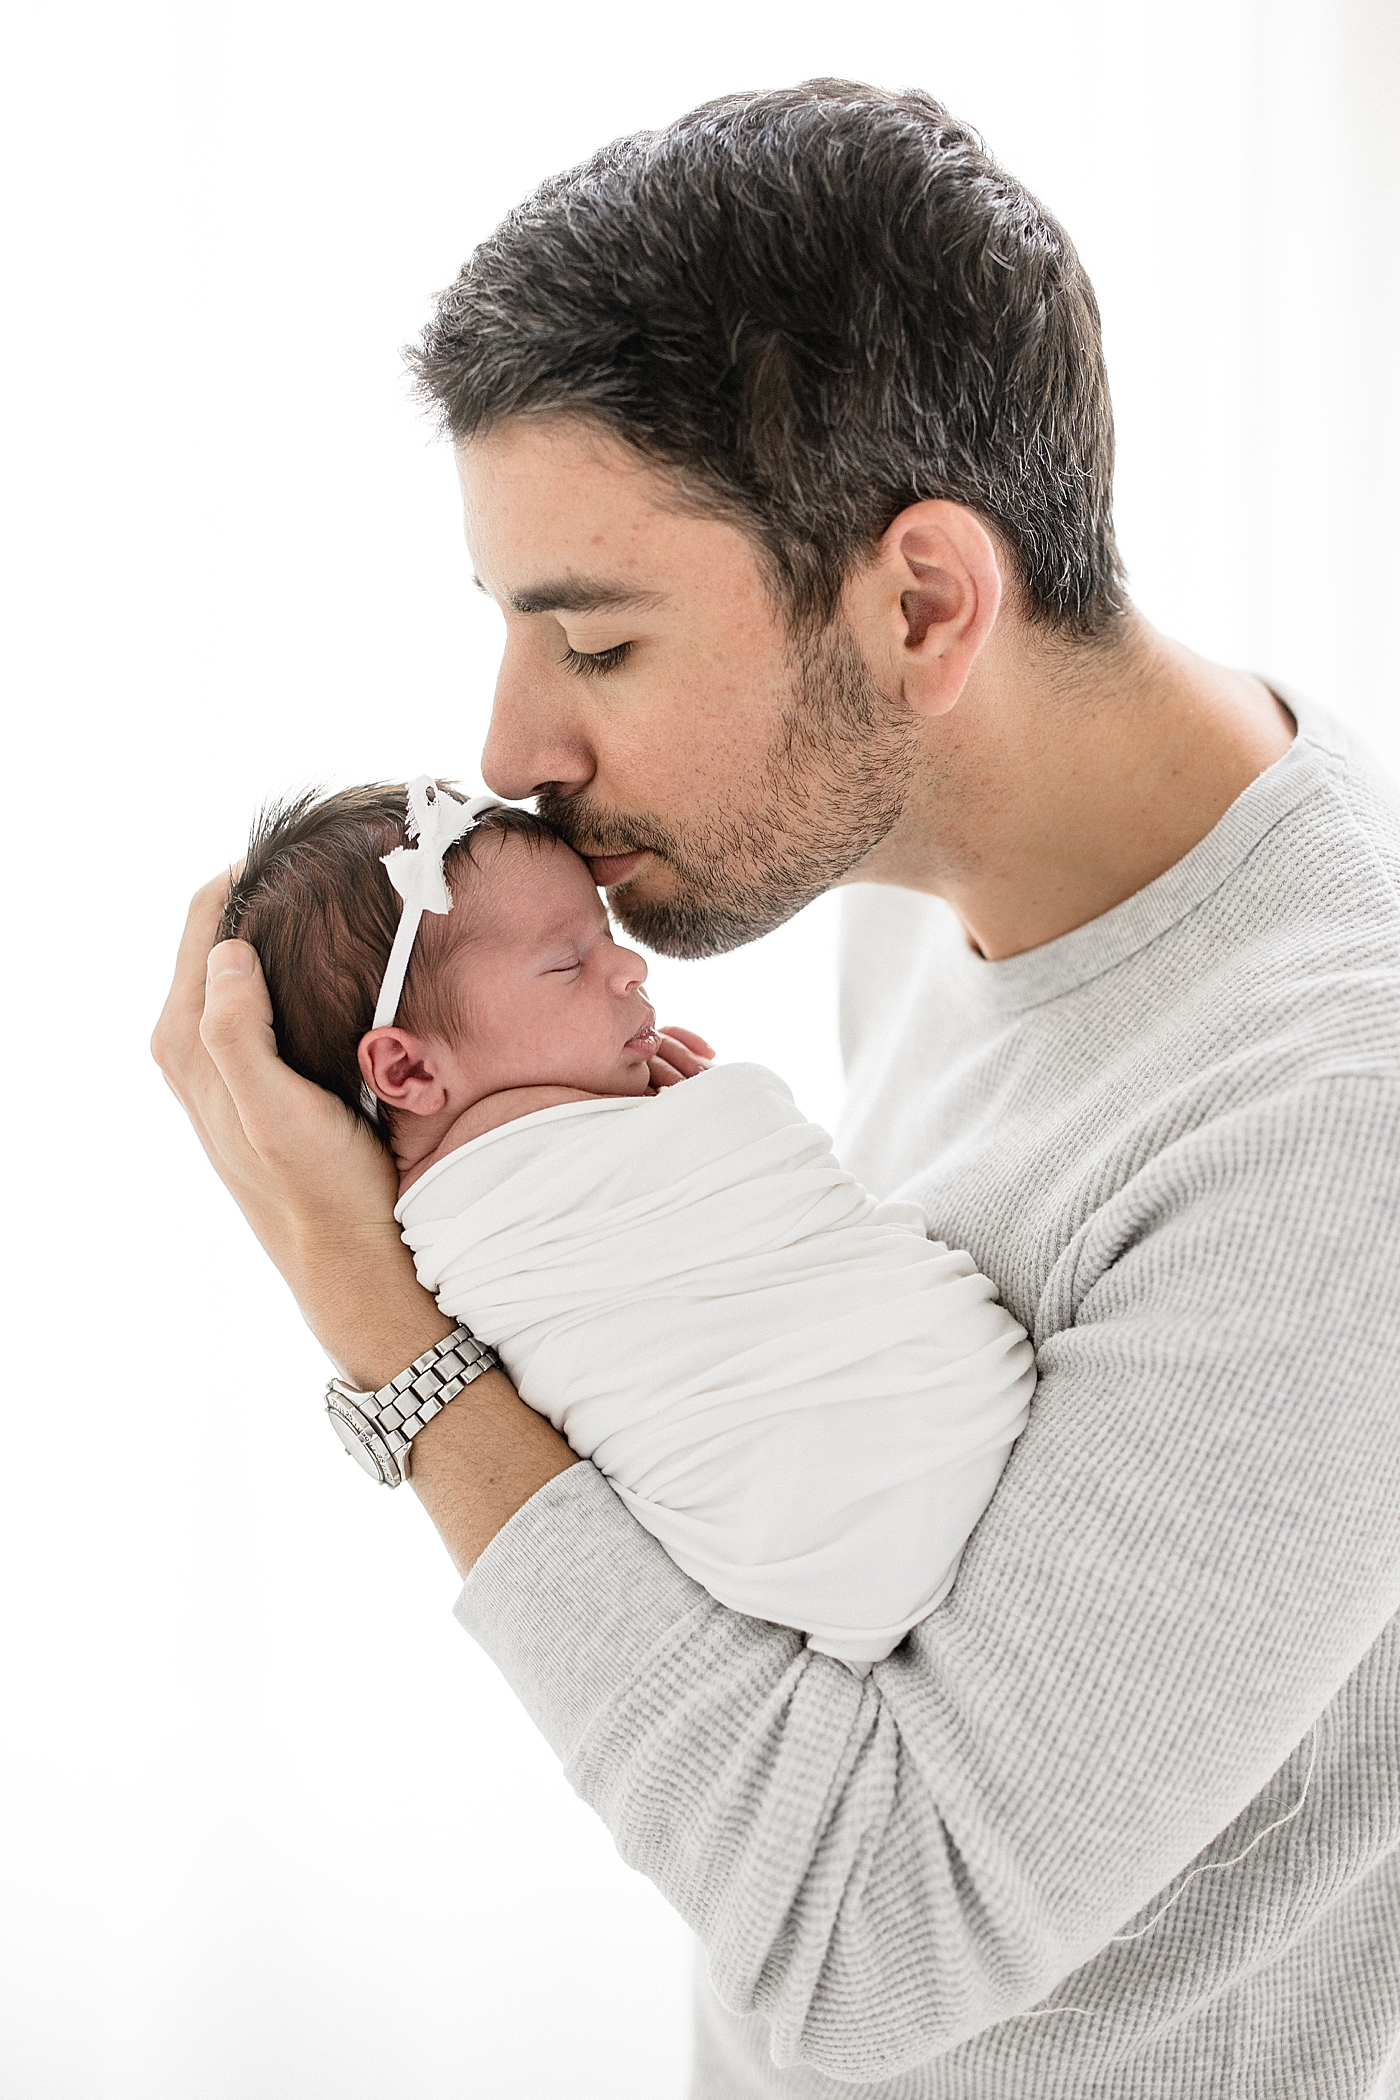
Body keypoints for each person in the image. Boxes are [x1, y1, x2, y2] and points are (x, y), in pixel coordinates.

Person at [153, 80, 1400, 2098]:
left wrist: (378, 1315)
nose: (515, 749)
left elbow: (867, 1939)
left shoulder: (1331, 1128)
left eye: (601, 641)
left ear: (919, 607)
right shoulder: (921, 862)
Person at [221, 776, 1034, 1666]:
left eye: (604, 938)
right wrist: (712, 1124)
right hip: (888, 1484)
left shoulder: (465, 1212)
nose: (629, 968)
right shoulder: (477, 1217)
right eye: (567, 963)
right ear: (408, 1072)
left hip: (813, 1569)